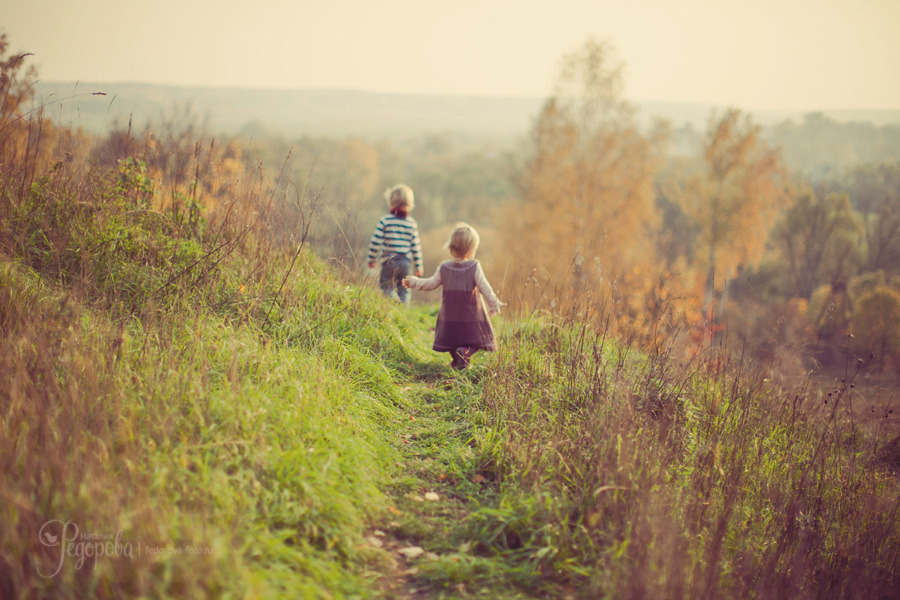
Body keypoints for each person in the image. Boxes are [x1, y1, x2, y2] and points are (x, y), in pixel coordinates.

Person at [403, 223, 503, 369]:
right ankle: (465, 352)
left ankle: (457, 359)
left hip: (449, 317)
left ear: (451, 247)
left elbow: (430, 284)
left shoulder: (444, 267)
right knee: (480, 339)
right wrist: (494, 303)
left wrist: (414, 282)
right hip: (471, 316)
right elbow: (485, 287)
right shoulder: (474, 266)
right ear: (471, 249)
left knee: (451, 340)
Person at [366, 184, 423, 305]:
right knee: (404, 289)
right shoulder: (412, 224)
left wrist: (372, 258)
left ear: (391, 202)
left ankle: (393, 299)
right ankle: (403, 312)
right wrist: (419, 266)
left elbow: (375, 241)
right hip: (406, 263)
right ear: (410, 204)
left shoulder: (385, 220)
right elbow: (416, 247)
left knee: (386, 285)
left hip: (389, 262)